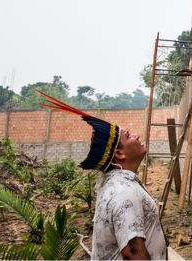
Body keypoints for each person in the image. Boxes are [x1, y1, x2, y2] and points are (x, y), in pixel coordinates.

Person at [39, 92, 168, 260]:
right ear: (119, 153)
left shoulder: (117, 184)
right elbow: (133, 252)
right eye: (129, 136)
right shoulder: (124, 193)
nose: (137, 136)